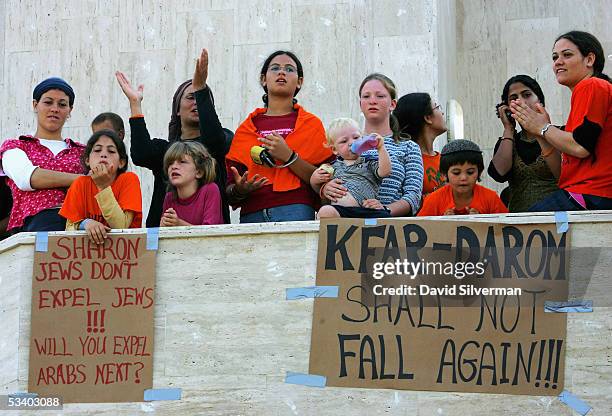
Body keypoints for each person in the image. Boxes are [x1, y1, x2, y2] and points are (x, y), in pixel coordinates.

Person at [117, 48, 233, 226]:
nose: (196, 102)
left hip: (208, 246)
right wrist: (135, 105)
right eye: (190, 97)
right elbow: (141, 154)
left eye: (200, 98)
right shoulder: (166, 150)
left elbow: (212, 140)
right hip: (161, 240)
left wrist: (201, 88)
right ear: (177, 109)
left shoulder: (221, 139)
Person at [225, 50, 332, 223]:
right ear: (263, 79)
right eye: (275, 68)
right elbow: (230, 192)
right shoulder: (246, 128)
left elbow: (326, 179)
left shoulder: (312, 125)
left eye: (289, 69)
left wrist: (289, 156)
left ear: (299, 82)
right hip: (252, 212)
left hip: (296, 209)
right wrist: (240, 190)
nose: (282, 72)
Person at [510, 31, 612, 211]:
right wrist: (540, 134)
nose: (558, 62)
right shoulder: (588, 91)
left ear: (589, 59)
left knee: (522, 230)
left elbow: (581, 147)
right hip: (585, 194)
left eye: (567, 55)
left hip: (593, 194)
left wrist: (543, 127)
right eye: (554, 57)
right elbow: (562, 176)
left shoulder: (592, 85)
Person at [321, 74, 423, 216]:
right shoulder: (344, 141)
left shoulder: (409, 147)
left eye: (380, 96)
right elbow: (331, 174)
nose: (372, 101)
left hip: (388, 226)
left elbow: (413, 195)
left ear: (392, 104)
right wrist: (325, 189)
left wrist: (385, 209)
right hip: (345, 224)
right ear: (360, 104)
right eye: (366, 96)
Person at [0, 77, 85, 232]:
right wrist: (83, 180)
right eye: (48, 102)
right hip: (31, 230)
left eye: (62, 104)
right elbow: (26, 178)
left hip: (83, 229)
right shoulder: (16, 146)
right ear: (35, 105)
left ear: (69, 110)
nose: (55, 108)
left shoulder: (83, 151)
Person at [488, 75, 559, 212]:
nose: (521, 101)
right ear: (507, 107)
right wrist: (508, 129)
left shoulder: (560, 135)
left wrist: (541, 128)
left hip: (557, 221)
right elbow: (499, 174)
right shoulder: (508, 141)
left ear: (540, 101)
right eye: (513, 98)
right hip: (519, 226)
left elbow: (565, 175)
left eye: (527, 95)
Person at [59, 130, 142, 244]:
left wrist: (103, 187)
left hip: (123, 254)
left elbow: (121, 226)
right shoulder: (80, 183)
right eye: (97, 150)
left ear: (121, 162)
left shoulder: (129, 179)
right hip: (88, 256)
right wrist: (86, 223)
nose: (103, 154)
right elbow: (69, 228)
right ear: (87, 160)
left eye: (111, 151)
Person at [312, 118, 391, 218]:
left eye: (356, 137)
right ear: (334, 149)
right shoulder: (331, 167)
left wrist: (380, 148)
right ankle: (335, 232)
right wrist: (314, 179)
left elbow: (385, 172)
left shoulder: (368, 163)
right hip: (341, 212)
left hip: (367, 210)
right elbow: (316, 187)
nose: (351, 143)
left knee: (385, 216)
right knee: (325, 211)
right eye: (344, 141)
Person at [418, 140, 508, 216]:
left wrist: (482, 222)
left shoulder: (491, 198)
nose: (463, 178)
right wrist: (442, 223)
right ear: (444, 174)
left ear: (479, 172)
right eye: (456, 173)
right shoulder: (433, 200)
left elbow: (505, 229)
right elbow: (419, 229)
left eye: (470, 172)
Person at [160, 141, 223, 226]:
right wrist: (163, 227)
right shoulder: (169, 198)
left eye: (182, 162)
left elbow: (209, 234)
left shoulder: (210, 190)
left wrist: (178, 224)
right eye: (170, 163)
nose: (174, 167)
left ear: (199, 172)